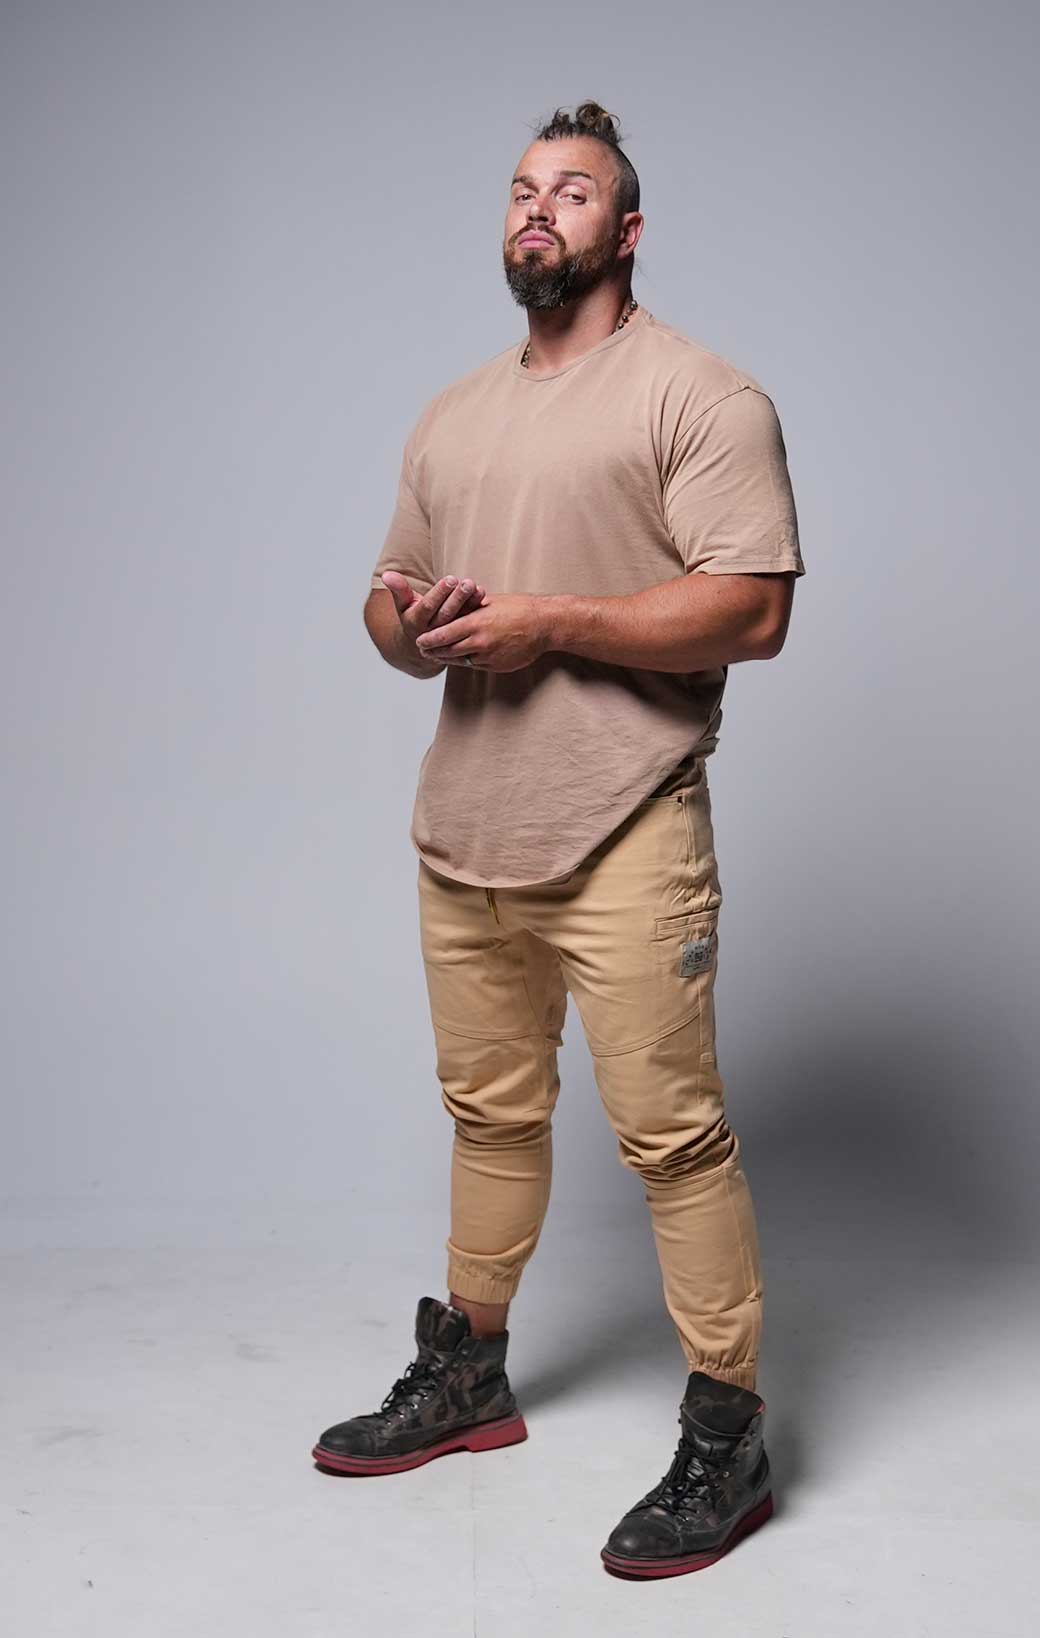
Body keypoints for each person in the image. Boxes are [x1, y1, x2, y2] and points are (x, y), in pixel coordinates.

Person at [312, 100, 805, 1579]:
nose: (539, 208)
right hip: (466, 827)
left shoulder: (702, 396)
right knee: (489, 1117)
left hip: (626, 822)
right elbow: (387, 598)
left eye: (572, 191)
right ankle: (470, 1372)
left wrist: (551, 623)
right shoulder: (453, 413)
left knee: (674, 1137)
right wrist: (410, 623)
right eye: (523, 189)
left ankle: (730, 1430)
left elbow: (754, 607)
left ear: (627, 229)